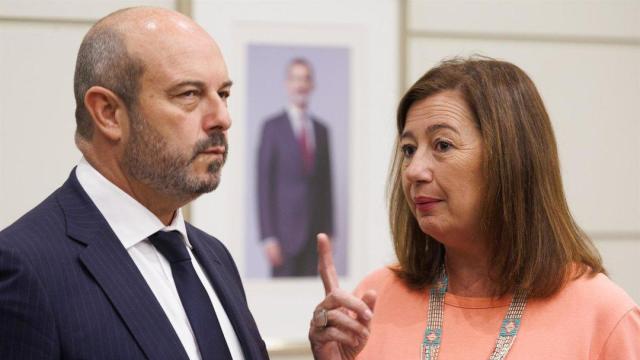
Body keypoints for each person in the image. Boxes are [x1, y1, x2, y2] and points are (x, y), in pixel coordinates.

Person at [309, 57, 640, 359]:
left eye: (442, 145)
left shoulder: (604, 316)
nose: (413, 171)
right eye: (409, 149)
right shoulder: (374, 297)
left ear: (509, 160)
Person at [0, 7, 268, 360]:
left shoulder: (213, 256)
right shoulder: (25, 267)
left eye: (223, 94)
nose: (222, 117)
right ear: (108, 113)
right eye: (189, 94)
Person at [257, 58, 333, 277]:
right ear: (287, 84)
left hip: (315, 234)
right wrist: (268, 236)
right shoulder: (271, 128)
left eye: (306, 79)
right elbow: (263, 185)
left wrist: (329, 232)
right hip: (283, 236)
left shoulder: (322, 130)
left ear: (312, 85)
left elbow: (327, 185)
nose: (300, 84)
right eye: (295, 79)